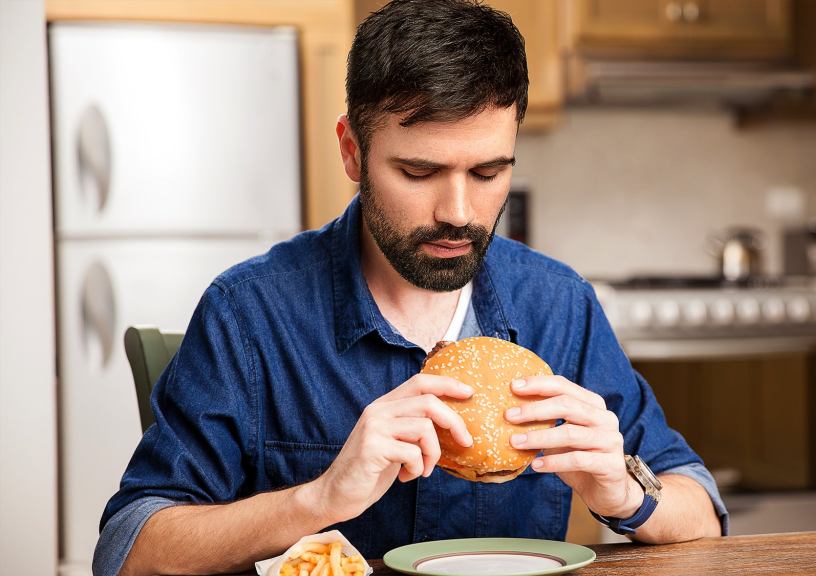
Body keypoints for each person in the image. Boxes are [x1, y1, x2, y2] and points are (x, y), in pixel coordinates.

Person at [94, 1, 728, 574]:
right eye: (419, 171)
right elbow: (129, 549)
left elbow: (701, 511)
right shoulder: (251, 313)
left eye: (487, 172)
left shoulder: (558, 305)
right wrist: (320, 498)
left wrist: (624, 491)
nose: (458, 211)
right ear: (352, 152)